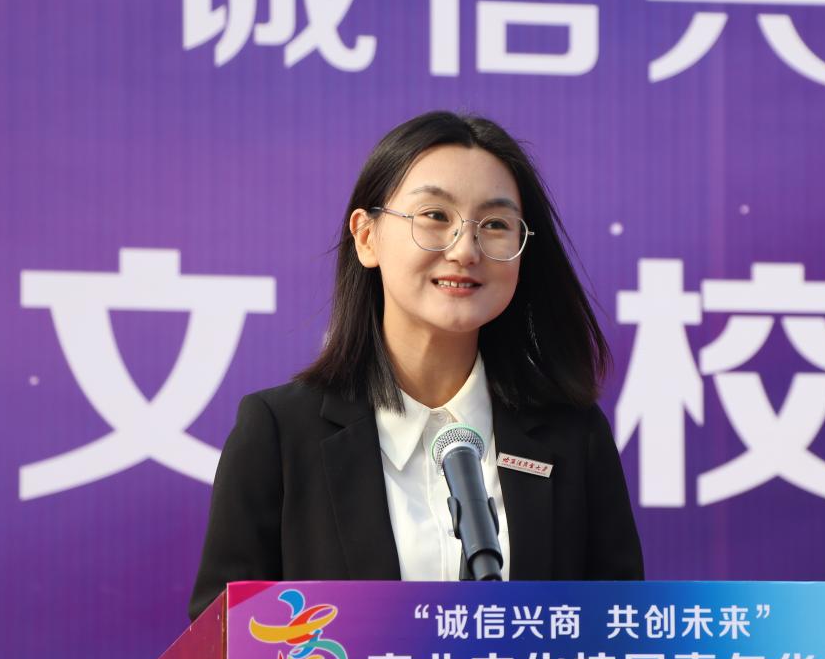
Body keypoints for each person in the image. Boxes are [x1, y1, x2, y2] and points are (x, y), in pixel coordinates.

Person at [189, 111, 643, 622]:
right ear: (367, 237)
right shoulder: (280, 434)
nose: (465, 249)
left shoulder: (573, 437)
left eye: (495, 225)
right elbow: (224, 644)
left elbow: (620, 634)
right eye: (435, 216)